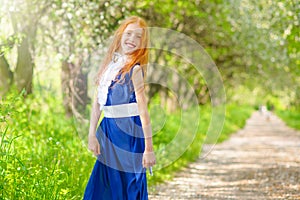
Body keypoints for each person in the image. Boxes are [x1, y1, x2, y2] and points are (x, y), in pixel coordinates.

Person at [83, 16, 156, 200]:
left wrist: (149, 148)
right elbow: (97, 104)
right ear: (120, 35)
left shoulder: (135, 70)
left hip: (130, 133)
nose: (132, 39)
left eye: (138, 37)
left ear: (142, 43)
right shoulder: (109, 66)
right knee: (103, 185)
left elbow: (143, 111)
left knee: (129, 185)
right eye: (129, 33)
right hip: (108, 132)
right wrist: (92, 134)